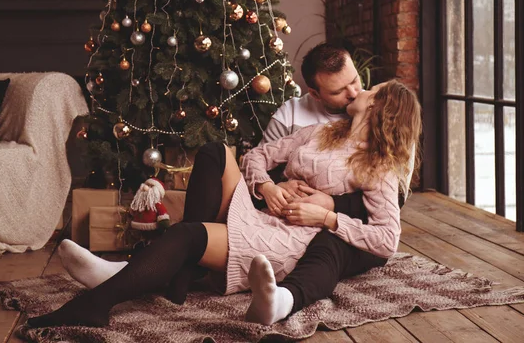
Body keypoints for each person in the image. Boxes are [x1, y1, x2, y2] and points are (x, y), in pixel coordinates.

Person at [26, 80, 421, 328]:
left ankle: (99, 302)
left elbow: (387, 239)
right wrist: (267, 187)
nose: (361, 90)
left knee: (187, 234)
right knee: (216, 151)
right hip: (265, 211)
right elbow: (256, 158)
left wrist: (328, 216)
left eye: (372, 91)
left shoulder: (378, 167)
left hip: (294, 238)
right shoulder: (321, 131)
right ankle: (177, 275)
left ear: (379, 108)